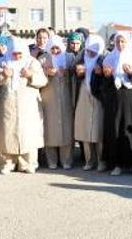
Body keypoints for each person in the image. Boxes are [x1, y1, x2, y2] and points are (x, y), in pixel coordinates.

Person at [0, 37, 48, 174]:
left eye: (20, 53)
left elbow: (43, 81)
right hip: (7, 104)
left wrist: (30, 76)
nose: (17, 56)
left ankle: (28, 163)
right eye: (15, 53)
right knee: (6, 133)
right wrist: (3, 75)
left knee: (28, 134)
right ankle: (7, 163)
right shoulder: (4, 61)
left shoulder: (32, 62)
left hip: (28, 105)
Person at [100, 32, 132, 176]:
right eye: (118, 42)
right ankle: (117, 164)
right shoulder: (110, 58)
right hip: (115, 98)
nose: (120, 45)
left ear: (128, 42)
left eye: (123, 41)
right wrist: (107, 76)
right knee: (115, 130)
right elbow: (104, 85)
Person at [39, 35, 75, 169]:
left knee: (66, 128)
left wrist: (68, 71)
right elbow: (36, 76)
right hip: (49, 99)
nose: (55, 51)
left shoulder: (69, 57)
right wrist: (46, 72)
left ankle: (67, 160)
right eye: (52, 48)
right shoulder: (43, 59)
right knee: (50, 129)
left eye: (57, 48)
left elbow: (76, 72)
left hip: (66, 98)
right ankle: (51, 160)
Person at [74, 35, 107, 171]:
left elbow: (108, 80)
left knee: (98, 131)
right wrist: (78, 72)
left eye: (93, 50)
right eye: (88, 49)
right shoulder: (82, 58)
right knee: (85, 129)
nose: (90, 53)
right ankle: (89, 160)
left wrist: (100, 73)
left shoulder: (103, 59)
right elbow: (75, 75)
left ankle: (101, 161)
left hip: (98, 98)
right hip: (83, 96)